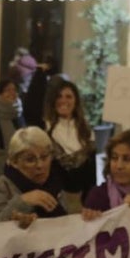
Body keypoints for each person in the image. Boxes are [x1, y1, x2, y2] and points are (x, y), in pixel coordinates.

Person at [0, 126, 65, 227]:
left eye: (44, 157)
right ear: (14, 162)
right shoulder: (0, 189)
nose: (40, 165)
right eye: (30, 160)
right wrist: (23, 201)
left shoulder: (53, 181)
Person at [42, 80, 97, 212]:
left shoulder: (86, 130)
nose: (63, 100)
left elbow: (91, 172)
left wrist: (90, 201)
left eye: (68, 96)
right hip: (53, 200)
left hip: (81, 201)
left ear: (76, 101)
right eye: (59, 96)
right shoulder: (45, 127)